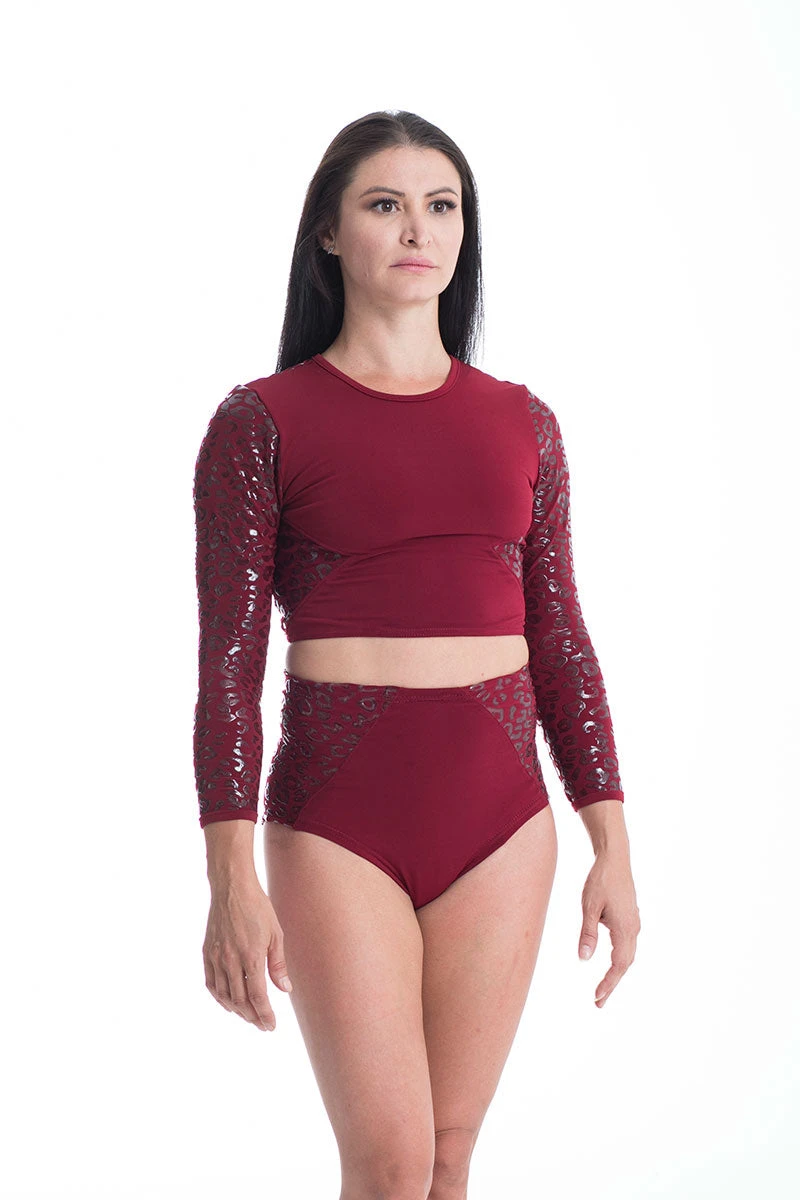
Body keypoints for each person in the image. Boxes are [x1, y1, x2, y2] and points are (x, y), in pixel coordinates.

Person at [192, 109, 640, 1199]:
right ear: (329, 232)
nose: (416, 229)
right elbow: (227, 666)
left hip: (503, 823)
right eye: (384, 204)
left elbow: (560, 641)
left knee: (445, 1161)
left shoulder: (524, 422)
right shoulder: (261, 422)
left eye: (441, 206)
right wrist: (228, 880)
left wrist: (612, 844)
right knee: (389, 1164)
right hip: (337, 819)